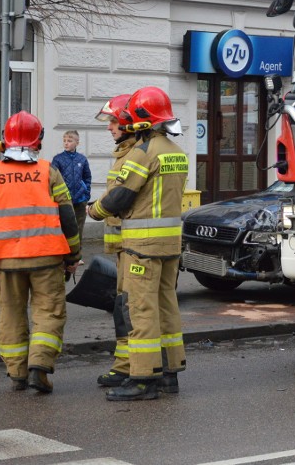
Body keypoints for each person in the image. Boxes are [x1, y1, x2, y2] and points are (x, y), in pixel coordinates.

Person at [0, 111, 82, 394]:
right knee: (48, 312)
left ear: (4, 141)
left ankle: (17, 373)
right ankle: (38, 368)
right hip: (48, 257)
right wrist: (73, 255)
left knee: (10, 314)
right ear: (38, 141)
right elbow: (68, 218)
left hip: (6, 260)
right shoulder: (48, 171)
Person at [88, 86, 188, 401]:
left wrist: (95, 210)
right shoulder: (176, 152)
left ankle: (144, 378)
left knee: (140, 309)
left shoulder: (143, 153)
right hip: (170, 245)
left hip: (142, 248)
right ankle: (169, 373)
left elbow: (121, 196)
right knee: (166, 306)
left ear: (142, 121)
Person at [92, 93, 139, 388]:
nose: (109, 127)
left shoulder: (135, 155)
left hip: (135, 247)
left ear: (127, 124)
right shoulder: (125, 152)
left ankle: (134, 368)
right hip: (125, 246)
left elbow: (118, 199)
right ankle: (124, 365)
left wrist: (94, 210)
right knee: (123, 305)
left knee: (130, 307)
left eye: (113, 121)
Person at [51, 130, 92, 247]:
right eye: (64, 141)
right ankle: (65, 254)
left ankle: (77, 255)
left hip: (80, 199)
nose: (66, 143)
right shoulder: (58, 159)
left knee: (79, 227)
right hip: (65, 200)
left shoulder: (82, 159)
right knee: (65, 226)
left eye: (69, 141)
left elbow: (87, 177)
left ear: (77, 143)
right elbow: (53, 179)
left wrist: (86, 192)